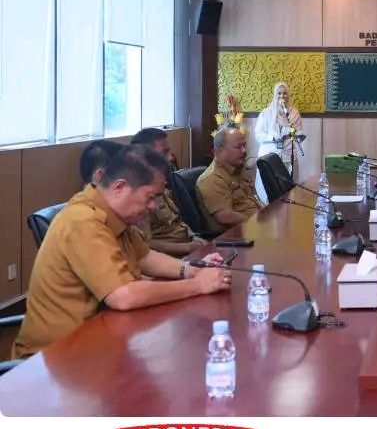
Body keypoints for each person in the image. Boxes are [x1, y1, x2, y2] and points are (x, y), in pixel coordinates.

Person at [11, 145, 231, 359]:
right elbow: (123, 296)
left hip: (100, 338)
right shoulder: (83, 221)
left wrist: (192, 270)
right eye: (150, 196)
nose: (153, 206)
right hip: (55, 357)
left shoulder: (115, 213)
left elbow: (146, 257)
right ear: (119, 187)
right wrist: (198, 285)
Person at [130, 128, 206, 257]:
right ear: (145, 157)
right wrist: (187, 247)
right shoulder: (138, 195)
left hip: (189, 250)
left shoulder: (163, 185)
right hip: (169, 258)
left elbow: (177, 222)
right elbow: (145, 244)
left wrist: (194, 237)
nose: (171, 157)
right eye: (165, 152)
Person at [196, 125, 263, 234]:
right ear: (219, 152)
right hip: (237, 235)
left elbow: (255, 200)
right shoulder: (212, 179)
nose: (244, 150)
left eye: (244, 145)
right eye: (238, 147)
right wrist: (260, 224)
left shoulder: (240, 171)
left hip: (255, 226)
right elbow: (226, 217)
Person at [254, 82, 303, 202]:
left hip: (288, 154)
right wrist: (272, 137)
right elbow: (258, 135)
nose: (282, 96)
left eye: (285, 93)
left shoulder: (294, 113)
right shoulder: (266, 113)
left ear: (288, 95)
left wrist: (298, 136)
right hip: (269, 156)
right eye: (279, 93)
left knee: (286, 188)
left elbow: (299, 132)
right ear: (274, 95)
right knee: (268, 188)